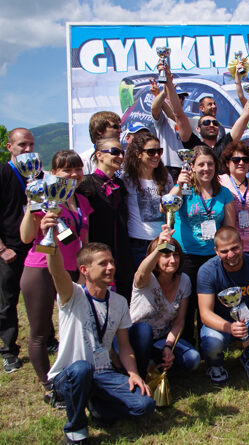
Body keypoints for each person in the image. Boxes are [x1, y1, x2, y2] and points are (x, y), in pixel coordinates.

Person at [44, 239, 154, 444]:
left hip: (103, 374)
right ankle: (76, 430)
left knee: (145, 405)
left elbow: (124, 345)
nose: (110, 267)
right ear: (84, 270)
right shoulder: (72, 295)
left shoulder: (119, 302)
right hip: (70, 374)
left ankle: (98, 408)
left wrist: (133, 373)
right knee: (82, 369)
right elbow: (57, 272)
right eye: (103, 263)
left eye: (111, 262)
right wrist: (51, 242)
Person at [20, 150, 92, 398]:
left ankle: (71, 375)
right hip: (40, 267)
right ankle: (48, 386)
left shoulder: (82, 202)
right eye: (66, 170)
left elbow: (84, 241)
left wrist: (84, 271)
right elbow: (26, 237)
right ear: (53, 173)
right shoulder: (43, 197)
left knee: (72, 328)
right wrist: (32, 207)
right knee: (40, 331)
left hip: (71, 269)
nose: (73, 174)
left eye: (77, 169)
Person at [198, 227, 249, 383]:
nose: (231, 255)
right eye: (224, 251)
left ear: (242, 244)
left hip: (248, 318)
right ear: (216, 251)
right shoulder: (207, 271)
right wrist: (229, 327)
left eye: (234, 248)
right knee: (212, 342)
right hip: (219, 323)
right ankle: (214, 365)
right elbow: (205, 314)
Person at [171, 144, 235, 346]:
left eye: (210, 164)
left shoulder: (224, 193)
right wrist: (178, 185)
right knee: (187, 303)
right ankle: (186, 345)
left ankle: (210, 344)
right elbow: (165, 206)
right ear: (192, 166)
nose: (206, 169)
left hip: (212, 256)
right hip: (187, 255)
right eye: (201, 165)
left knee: (210, 302)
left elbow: (229, 228)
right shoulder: (184, 191)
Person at [128, 227, 200, 379]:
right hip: (137, 338)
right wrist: (159, 247)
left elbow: (179, 322)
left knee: (193, 359)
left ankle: (157, 365)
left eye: (176, 255)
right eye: (166, 255)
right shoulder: (146, 279)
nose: (172, 260)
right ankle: (140, 368)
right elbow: (141, 273)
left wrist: (168, 346)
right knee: (144, 330)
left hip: (161, 340)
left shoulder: (184, 281)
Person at [76, 138, 134, 299]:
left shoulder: (120, 185)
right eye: (115, 152)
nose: (120, 156)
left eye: (122, 153)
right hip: (97, 253)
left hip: (122, 253)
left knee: (123, 301)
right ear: (99, 155)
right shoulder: (86, 184)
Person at [0, 128, 36, 373]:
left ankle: (47, 339)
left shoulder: (36, 174)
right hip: (10, 248)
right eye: (22, 144)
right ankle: (8, 350)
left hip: (34, 247)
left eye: (31, 144)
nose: (28, 149)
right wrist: (2, 249)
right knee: (8, 301)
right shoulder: (3, 173)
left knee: (40, 296)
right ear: (9, 147)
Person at [123, 132, 174, 269]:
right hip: (138, 242)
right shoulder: (126, 179)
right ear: (138, 154)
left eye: (159, 151)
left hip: (161, 239)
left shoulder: (166, 177)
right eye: (151, 152)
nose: (156, 155)